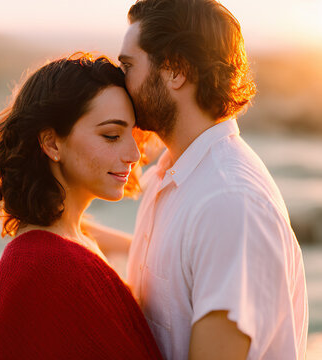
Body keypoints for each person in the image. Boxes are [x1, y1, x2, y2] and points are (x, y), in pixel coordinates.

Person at [86, 0, 309, 359]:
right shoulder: (173, 176)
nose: (119, 82)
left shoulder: (230, 203)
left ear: (176, 71)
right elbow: (177, 269)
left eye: (128, 66)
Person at [0, 53, 163, 359]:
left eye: (132, 135)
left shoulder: (71, 241)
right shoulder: (48, 268)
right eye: (111, 135)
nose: (133, 154)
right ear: (52, 143)